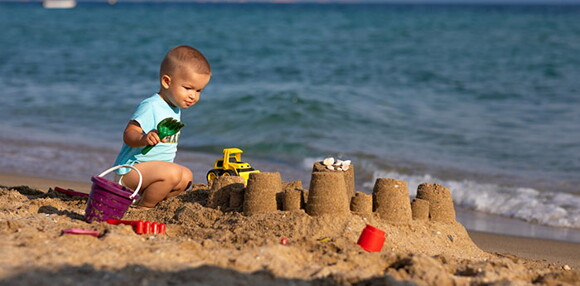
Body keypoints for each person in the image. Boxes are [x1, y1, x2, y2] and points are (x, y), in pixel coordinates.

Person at [112, 45, 211, 208]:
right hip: (131, 173)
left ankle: (151, 201)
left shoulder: (174, 108)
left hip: (151, 176)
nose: (193, 95)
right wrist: (143, 138)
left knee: (186, 176)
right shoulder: (152, 105)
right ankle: (144, 207)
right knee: (172, 173)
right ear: (166, 81)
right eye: (187, 88)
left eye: (199, 90)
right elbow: (129, 134)